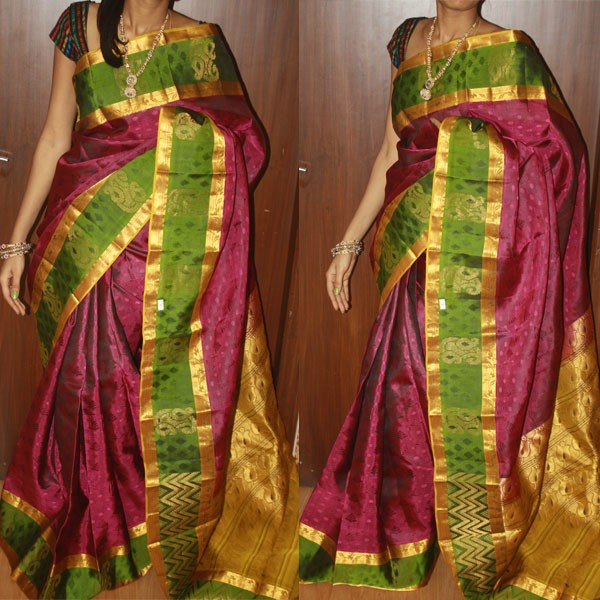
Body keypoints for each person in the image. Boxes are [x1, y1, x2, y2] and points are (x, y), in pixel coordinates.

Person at [299, 1, 600, 598]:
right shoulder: (404, 41)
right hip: (413, 253)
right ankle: (402, 536)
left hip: (488, 266)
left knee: (476, 403)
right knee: (402, 393)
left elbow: (562, 159)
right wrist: (348, 245)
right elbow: (391, 152)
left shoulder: (511, 52)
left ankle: (482, 539)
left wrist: (477, 158)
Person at [0, 1, 298, 598]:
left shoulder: (200, 42)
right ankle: (91, 525)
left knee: (147, 390)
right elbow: (56, 134)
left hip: (166, 251)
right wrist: (16, 242)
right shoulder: (78, 22)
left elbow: (242, 147)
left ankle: (140, 522)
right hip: (84, 236)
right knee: (84, 385)